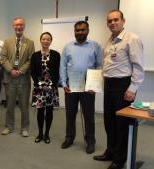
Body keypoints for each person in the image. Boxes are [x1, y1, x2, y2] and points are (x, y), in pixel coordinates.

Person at [93, 10, 144, 169]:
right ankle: (111, 151)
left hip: (123, 85)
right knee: (109, 121)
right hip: (109, 84)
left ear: (123, 21)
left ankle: (120, 159)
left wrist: (132, 88)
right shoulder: (109, 41)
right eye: (109, 21)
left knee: (121, 123)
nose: (112, 23)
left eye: (116, 20)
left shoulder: (132, 39)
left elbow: (138, 66)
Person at [60, 21, 102, 154]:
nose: (80, 32)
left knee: (89, 115)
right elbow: (63, 66)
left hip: (88, 87)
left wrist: (95, 86)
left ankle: (90, 141)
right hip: (71, 87)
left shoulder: (95, 46)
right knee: (70, 114)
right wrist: (64, 84)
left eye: (82, 30)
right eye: (77, 30)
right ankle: (69, 138)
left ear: (88, 30)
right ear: (74, 31)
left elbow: (100, 66)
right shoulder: (68, 47)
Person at [0, 17, 35, 137]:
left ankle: (25, 128)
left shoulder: (30, 43)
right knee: (9, 105)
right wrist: (10, 70)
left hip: (23, 79)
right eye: (16, 25)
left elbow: (31, 60)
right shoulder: (7, 42)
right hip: (10, 78)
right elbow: (3, 58)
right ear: (13, 26)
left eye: (21, 25)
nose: (18, 27)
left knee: (24, 105)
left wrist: (20, 71)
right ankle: (9, 126)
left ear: (24, 26)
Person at [30, 32, 60, 144]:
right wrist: (41, 84)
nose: (46, 41)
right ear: (40, 40)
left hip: (51, 89)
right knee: (40, 112)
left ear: (51, 41)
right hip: (39, 88)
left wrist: (51, 85)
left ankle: (47, 134)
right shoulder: (35, 55)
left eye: (48, 39)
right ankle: (40, 134)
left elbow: (57, 72)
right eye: (44, 39)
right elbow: (32, 72)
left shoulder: (56, 55)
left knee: (49, 112)